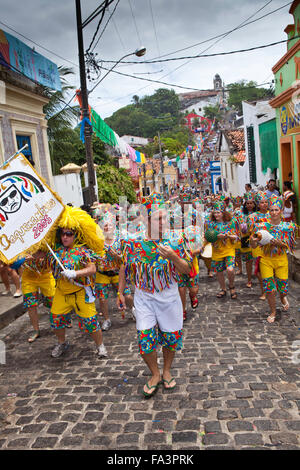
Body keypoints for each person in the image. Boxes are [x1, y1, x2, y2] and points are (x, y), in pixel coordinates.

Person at [118, 193, 193, 398]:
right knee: (144, 340)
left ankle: (167, 370)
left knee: (171, 338)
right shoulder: (133, 242)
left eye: (165, 218)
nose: (163, 222)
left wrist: (173, 256)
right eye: (158, 218)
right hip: (144, 297)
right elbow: (124, 266)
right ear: (147, 220)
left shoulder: (176, 240)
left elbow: (187, 270)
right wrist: (120, 291)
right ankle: (155, 373)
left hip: (169, 296)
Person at [39, 205, 108, 358]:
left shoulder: (82, 251)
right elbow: (40, 255)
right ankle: (62, 343)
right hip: (61, 293)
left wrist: (75, 273)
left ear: (75, 235)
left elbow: (92, 269)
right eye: (63, 233)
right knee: (55, 319)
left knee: (91, 322)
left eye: (69, 234)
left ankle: (100, 345)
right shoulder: (55, 251)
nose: (65, 237)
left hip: (80, 293)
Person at [250, 196, 297, 323]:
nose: (274, 213)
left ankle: (282, 298)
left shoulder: (288, 227)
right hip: (266, 260)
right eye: (271, 210)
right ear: (268, 211)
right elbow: (253, 245)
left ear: (281, 210)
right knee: (269, 289)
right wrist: (252, 241)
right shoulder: (261, 226)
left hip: (281, 261)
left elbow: (291, 246)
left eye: (276, 210)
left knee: (283, 289)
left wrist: (280, 244)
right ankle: (273, 311)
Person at [205, 199, 239, 299]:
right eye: (214, 212)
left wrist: (227, 236)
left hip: (229, 249)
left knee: (230, 269)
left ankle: (232, 286)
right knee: (219, 272)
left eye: (218, 212)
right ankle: (223, 289)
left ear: (223, 212)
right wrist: (215, 237)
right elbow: (207, 236)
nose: (216, 215)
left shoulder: (231, 222)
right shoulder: (210, 224)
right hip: (216, 251)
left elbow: (236, 236)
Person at [21, 252, 56, 343]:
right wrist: (20, 259)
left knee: (54, 302)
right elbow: (13, 262)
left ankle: (64, 320)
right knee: (30, 305)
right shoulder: (20, 241)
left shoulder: (43, 240)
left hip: (46, 276)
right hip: (28, 278)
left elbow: (51, 255)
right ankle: (36, 330)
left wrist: (35, 257)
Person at [247, 191, 270, 300]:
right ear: (258, 204)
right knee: (259, 271)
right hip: (258, 245)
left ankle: (270, 289)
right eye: (262, 202)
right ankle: (264, 291)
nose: (264, 204)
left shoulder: (273, 214)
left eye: (266, 202)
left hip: (270, 245)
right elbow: (250, 230)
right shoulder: (252, 216)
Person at [239, 194, 257, 288]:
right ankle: (249, 279)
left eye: (251, 203)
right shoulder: (241, 215)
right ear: (245, 205)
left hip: (257, 238)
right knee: (248, 261)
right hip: (245, 238)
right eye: (247, 203)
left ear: (254, 204)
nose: (249, 205)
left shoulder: (258, 214)